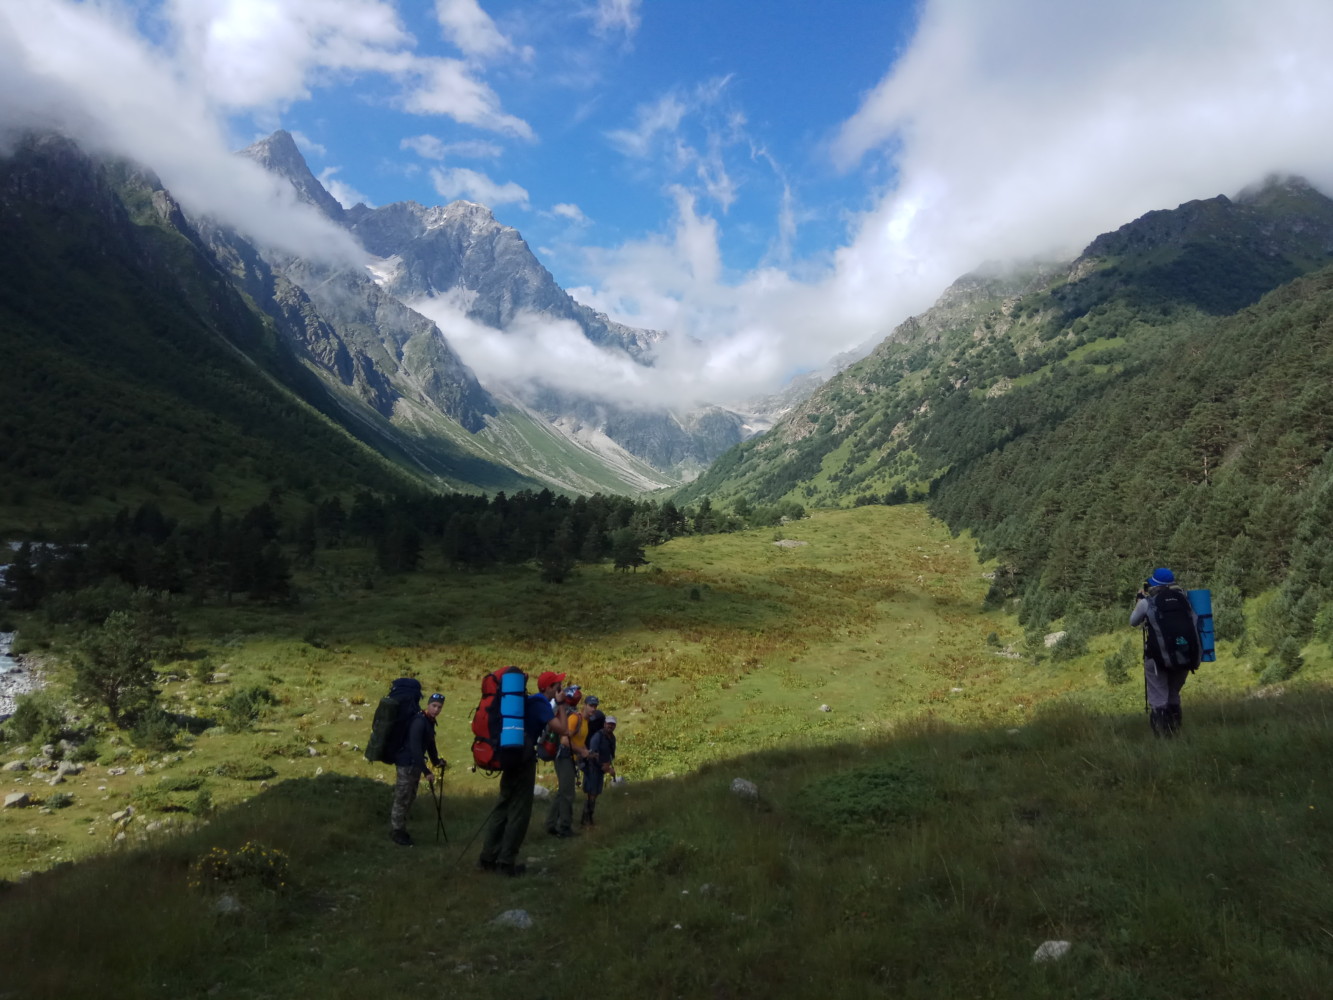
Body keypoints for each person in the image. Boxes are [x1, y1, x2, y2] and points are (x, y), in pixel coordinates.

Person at [478, 671, 570, 876]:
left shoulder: (529, 701)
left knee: (503, 806)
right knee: (519, 811)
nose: (560, 688)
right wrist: (562, 704)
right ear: (548, 688)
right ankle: (506, 862)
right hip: (524, 759)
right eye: (557, 685)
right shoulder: (541, 704)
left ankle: (487, 858)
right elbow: (563, 729)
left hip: (510, 755)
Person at [1129, 567, 1201, 737]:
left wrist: (1140, 601)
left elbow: (1133, 621)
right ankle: (1175, 733)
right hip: (1184, 656)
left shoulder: (1148, 602)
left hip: (1157, 659)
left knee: (1159, 697)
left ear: (1154, 585)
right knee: (1173, 694)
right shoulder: (1185, 600)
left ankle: (1162, 738)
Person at [390, 692, 445, 846]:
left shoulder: (429, 721)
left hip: (415, 765)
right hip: (406, 764)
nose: (436, 710)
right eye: (434, 706)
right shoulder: (419, 722)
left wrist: (436, 761)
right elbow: (415, 749)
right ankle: (396, 832)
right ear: (428, 704)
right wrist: (426, 771)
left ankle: (401, 829)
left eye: (439, 707)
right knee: (402, 798)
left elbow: (430, 744)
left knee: (410, 797)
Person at [545, 684, 587, 838]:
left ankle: (551, 824)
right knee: (568, 793)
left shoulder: (565, 712)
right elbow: (564, 740)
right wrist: (581, 751)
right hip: (564, 756)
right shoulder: (571, 715)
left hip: (562, 756)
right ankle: (564, 827)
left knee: (562, 792)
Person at [581, 713, 616, 827]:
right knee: (592, 793)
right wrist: (604, 766)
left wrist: (608, 765)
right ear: (604, 724)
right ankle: (587, 820)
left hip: (601, 769)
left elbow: (611, 754)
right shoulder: (597, 736)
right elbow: (592, 754)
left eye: (612, 724)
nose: (610, 726)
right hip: (592, 767)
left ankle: (587, 819)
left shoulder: (612, 738)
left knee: (595, 794)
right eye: (608, 724)